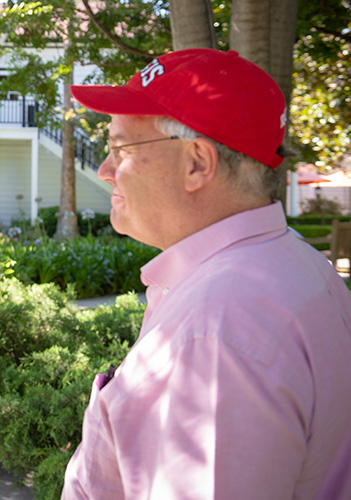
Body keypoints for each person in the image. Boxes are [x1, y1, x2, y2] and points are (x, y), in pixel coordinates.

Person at [61, 49, 351, 499]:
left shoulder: (216, 330)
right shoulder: (297, 265)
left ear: (197, 162)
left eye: (120, 149)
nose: (105, 171)